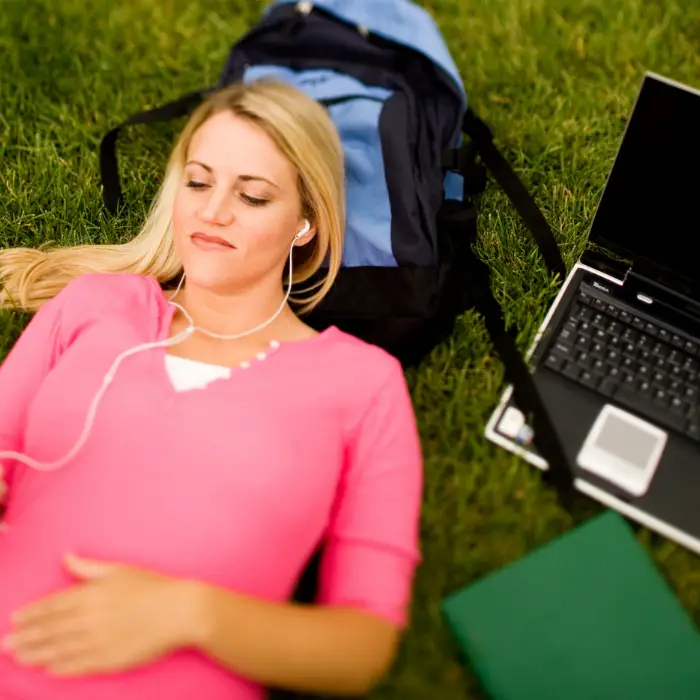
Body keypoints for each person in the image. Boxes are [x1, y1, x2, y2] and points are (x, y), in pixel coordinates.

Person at [0, 80, 424, 700]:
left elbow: (362, 646)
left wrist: (190, 612)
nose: (213, 211)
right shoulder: (95, 305)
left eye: (252, 196)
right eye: (198, 183)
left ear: (305, 223)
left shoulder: (363, 384)